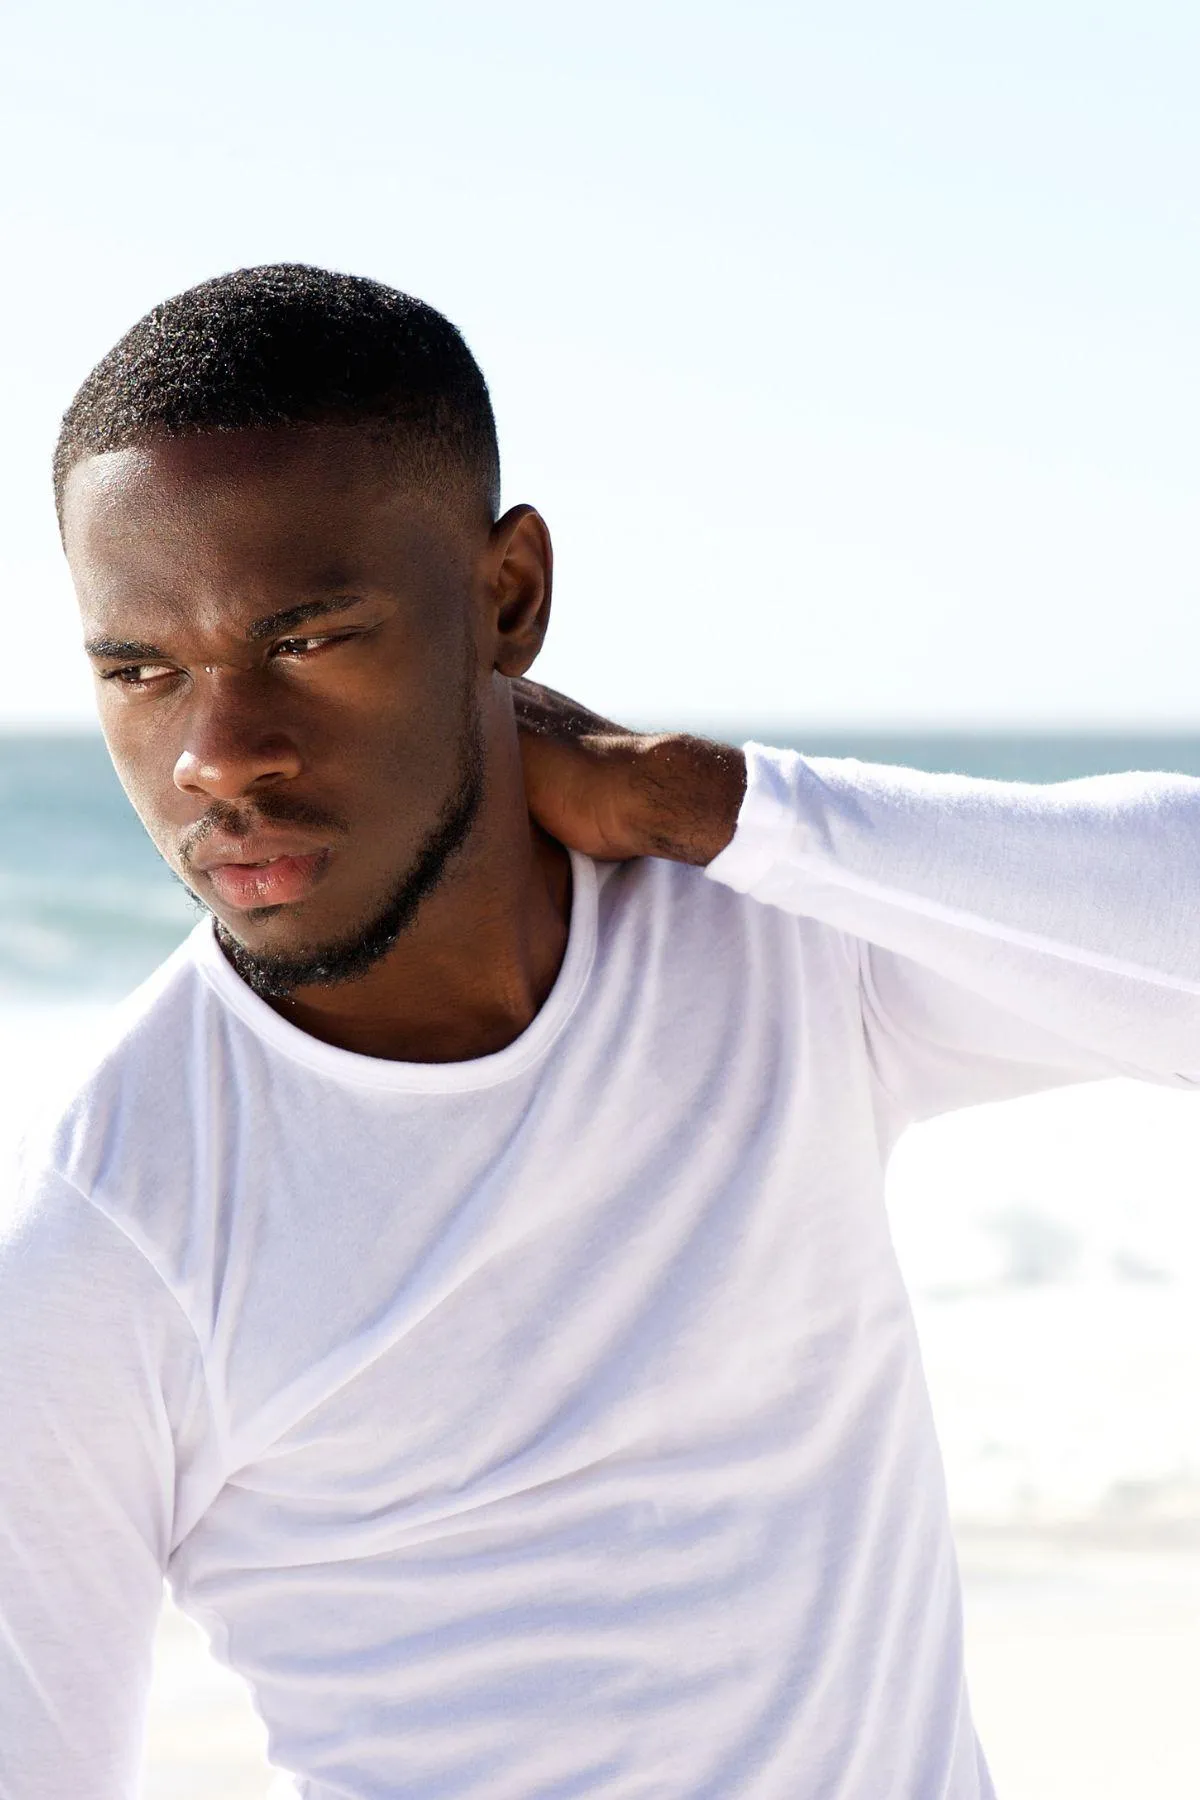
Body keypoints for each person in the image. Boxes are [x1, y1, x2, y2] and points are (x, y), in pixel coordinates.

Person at [2, 263, 1196, 1800]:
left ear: (507, 600)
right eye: (140, 672)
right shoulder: (110, 1242)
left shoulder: (767, 940)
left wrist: (731, 807)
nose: (215, 759)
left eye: (304, 641)